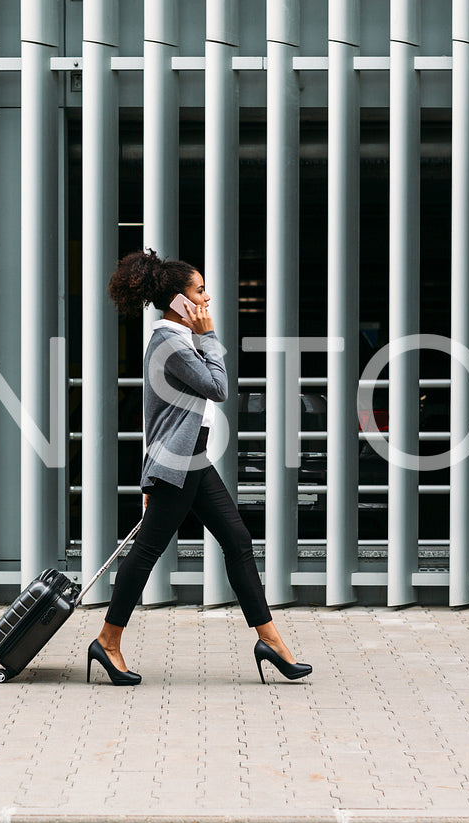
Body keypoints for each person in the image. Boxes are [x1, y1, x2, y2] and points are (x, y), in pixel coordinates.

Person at [90, 248, 312, 687]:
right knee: (150, 550)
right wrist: (210, 337)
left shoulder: (174, 339)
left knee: (237, 540)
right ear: (178, 300)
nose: (207, 298)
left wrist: (151, 473)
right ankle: (108, 642)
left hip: (190, 458)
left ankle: (271, 642)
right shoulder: (172, 341)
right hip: (181, 460)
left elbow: (158, 414)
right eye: (200, 290)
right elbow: (218, 388)